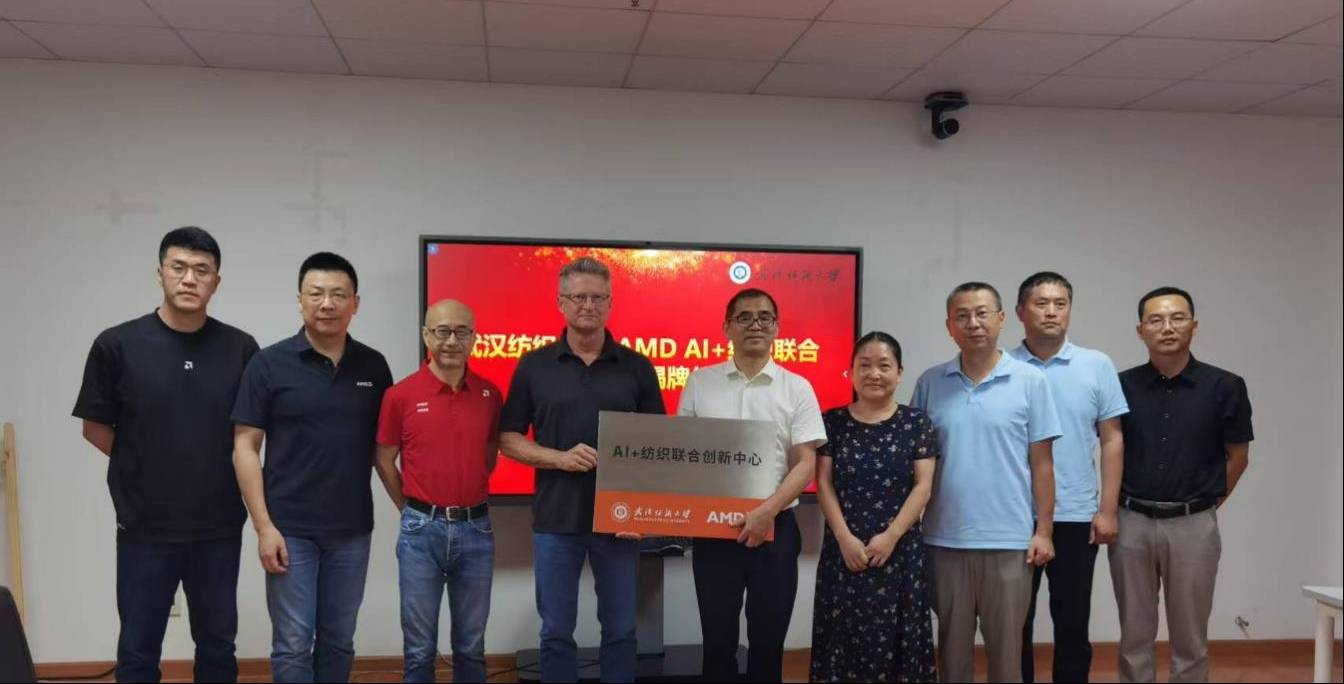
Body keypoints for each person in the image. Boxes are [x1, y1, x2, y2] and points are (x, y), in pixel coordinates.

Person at [73, 227, 258, 683]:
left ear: (216, 281)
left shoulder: (241, 348)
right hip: (144, 527)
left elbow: (249, 435)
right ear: (160, 273)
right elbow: (95, 427)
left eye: (201, 270)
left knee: (218, 647)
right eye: (179, 267)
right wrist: (148, 461)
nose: (189, 279)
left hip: (218, 527)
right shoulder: (117, 344)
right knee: (138, 649)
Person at [498, 256, 664, 683]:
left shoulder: (637, 367)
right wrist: (559, 458)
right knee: (555, 631)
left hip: (620, 521)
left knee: (622, 630)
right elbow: (508, 438)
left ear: (610, 303)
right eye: (578, 297)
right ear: (561, 302)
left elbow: (659, 446)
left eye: (597, 297)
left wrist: (644, 511)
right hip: (557, 520)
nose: (587, 305)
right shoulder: (534, 365)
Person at [231, 252, 392, 683]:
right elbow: (245, 447)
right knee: (293, 644)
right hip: (289, 529)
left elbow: (386, 449)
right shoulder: (268, 363)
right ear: (299, 300)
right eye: (316, 293)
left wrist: (410, 506)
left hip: (352, 531)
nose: (327, 303)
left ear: (355, 303)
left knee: (339, 641)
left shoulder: (374, 366)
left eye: (338, 294)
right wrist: (264, 527)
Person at [911, 281, 1060, 684]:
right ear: (949, 326)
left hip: (1010, 542)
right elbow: (917, 464)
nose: (973, 323)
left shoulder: (1031, 381)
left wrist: (1044, 531)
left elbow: (1043, 464)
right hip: (944, 540)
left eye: (982, 314)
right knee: (951, 654)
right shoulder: (930, 383)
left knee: (1008, 655)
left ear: (1001, 319)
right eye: (962, 316)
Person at [678, 288, 826, 683]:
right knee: (717, 642)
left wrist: (766, 512)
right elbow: (684, 454)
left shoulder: (797, 387)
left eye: (764, 317)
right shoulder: (700, 382)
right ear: (727, 327)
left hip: (776, 530)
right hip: (714, 530)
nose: (755, 324)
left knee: (768, 642)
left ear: (776, 327)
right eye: (744, 317)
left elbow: (806, 464)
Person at [1111, 286, 1252, 683]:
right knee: (1134, 634)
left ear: (1194, 325)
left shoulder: (1225, 385)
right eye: (1155, 320)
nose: (1167, 327)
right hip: (1131, 522)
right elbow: (1108, 450)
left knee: (1190, 638)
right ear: (1140, 330)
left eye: (1177, 318)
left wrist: (1204, 506)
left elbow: (1238, 457)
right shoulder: (1120, 386)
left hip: (1194, 523)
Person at [375, 299, 501, 683]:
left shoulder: (489, 394)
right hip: (420, 533)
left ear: (474, 338)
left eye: (462, 332)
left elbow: (489, 454)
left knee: (471, 648)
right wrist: (410, 509)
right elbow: (384, 459)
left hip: (476, 530)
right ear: (426, 335)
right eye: (442, 331)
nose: (451, 341)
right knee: (419, 651)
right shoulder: (400, 395)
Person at [1011, 272, 1128, 683]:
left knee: (1073, 622)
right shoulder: (1004, 367)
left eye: (1060, 304)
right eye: (1041, 303)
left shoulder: (1096, 365)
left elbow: (1112, 439)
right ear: (1020, 311)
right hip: (1015, 515)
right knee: (1014, 625)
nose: (1051, 312)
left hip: (1077, 515)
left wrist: (1107, 510)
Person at [810, 331, 937, 683]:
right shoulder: (832, 422)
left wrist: (891, 536)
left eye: (884, 365)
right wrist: (843, 538)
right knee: (842, 640)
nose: (874, 374)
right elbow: (823, 483)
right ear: (851, 372)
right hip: (844, 550)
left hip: (900, 551)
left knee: (899, 643)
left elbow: (923, 487)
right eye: (864, 366)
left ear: (899, 372)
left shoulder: (916, 423)